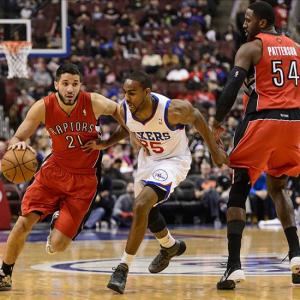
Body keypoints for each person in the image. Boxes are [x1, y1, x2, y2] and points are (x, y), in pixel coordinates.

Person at [82, 70, 229, 294]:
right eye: (125, 92)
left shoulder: (172, 110)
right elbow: (128, 127)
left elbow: (197, 116)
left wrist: (214, 150)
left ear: (147, 92)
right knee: (146, 212)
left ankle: (122, 268)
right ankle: (170, 246)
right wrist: (106, 144)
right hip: (147, 160)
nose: (126, 97)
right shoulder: (125, 109)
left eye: (132, 93)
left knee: (141, 205)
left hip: (173, 161)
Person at [0, 63, 137, 292]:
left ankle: (57, 218)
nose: (70, 89)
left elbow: (118, 110)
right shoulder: (43, 107)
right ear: (56, 85)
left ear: (80, 85)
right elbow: (15, 138)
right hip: (54, 171)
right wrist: (19, 144)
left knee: (58, 245)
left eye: (75, 84)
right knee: (23, 223)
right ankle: (5, 273)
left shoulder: (93, 101)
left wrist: (119, 137)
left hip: (84, 179)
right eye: (65, 84)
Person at [212, 2, 300, 290]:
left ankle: (233, 267)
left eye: (248, 20)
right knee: (278, 188)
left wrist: (217, 122)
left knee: (238, 190)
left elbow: (230, 90)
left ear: (262, 23)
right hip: (293, 124)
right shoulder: (296, 48)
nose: (244, 25)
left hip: (263, 120)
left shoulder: (251, 48)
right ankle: (297, 256)